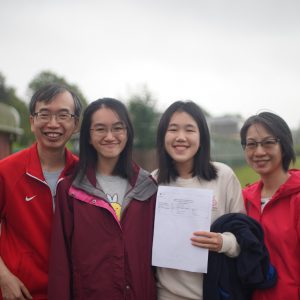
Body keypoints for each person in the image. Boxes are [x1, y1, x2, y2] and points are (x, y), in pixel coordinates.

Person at [48, 98, 157, 300]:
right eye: (100, 129)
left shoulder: (149, 187)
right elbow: (60, 263)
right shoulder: (69, 190)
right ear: (88, 136)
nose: (109, 136)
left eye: (117, 128)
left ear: (127, 133)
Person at [152, 101, 245, 300]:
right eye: (173, 129)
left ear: (202, 137)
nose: (181, 137)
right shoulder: (152, 182)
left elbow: (244, 240)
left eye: (190, 130)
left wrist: (223, 242)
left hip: (217, 293)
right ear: (163, 137)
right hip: (166, 295)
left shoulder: (224, 176)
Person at [0, 83, 82, 300]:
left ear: (75, 124)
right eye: (44, 114)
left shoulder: (85, 175)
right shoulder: (6, 171)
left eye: (63, 115)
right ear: (32, 121)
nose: (53, 124)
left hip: (72, 292)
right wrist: (3, 277)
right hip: (21, 292)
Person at [240, 112, 300, 300]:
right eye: (251, 144)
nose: (259, 152)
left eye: (268, 142)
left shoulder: (297, 199)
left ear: (284, 145)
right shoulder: (243, 199)